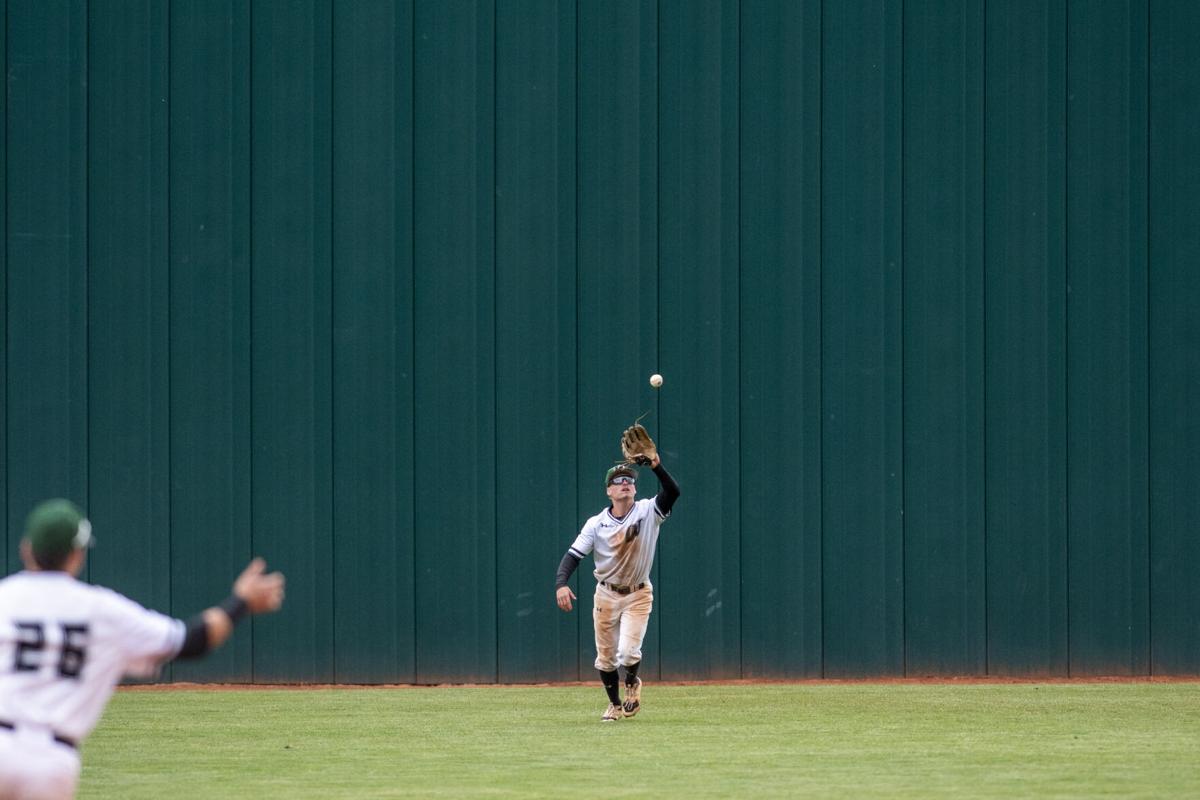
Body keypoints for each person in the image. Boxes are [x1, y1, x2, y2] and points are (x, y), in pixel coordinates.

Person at [0, 499, 285, 799]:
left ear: (26, 548)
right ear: (77, 555)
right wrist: (241, 602)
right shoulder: (102, 610)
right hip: (51, 764)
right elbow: (191, 641)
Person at [555, 437, 680, 722]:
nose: (625, 483)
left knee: (627, 653)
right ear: (608, 491)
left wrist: (657, 466)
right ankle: (613, 704)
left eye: (630, 480)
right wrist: (561, 583)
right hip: (607, 594)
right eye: (619, 480)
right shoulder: (596, 523)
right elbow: (573, 556)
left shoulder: (648, 511)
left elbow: (673, 492)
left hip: (638, 593)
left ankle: (632, 682)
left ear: (635, 489)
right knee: (607, 657)